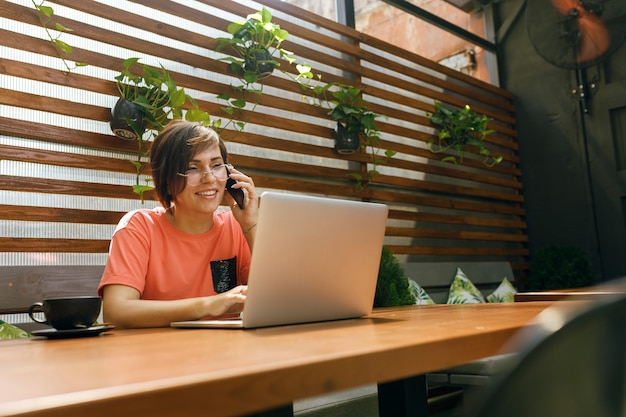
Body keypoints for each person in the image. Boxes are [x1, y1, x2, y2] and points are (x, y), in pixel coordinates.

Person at [98, 121, 259, 328]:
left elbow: (277, 299)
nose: (209, 178)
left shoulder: (236, 226)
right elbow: (116, 311)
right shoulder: (139, 227)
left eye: (217, 165)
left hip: (228, 352)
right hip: (157, 354)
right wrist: (209, 305)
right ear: (167, 179)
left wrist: (251, 225)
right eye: (192, 168)